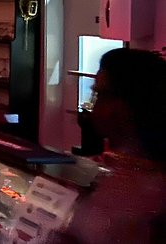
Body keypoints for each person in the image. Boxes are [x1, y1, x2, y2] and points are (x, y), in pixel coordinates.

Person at [59, 48, 166, 243]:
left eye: (101, 95)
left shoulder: (152, 189)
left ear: (133, 103)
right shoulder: (111, 165)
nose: (94, 106)